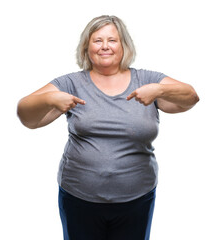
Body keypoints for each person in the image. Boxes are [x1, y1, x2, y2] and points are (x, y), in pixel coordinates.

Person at [17, 15, 199, 240]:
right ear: (87, 47)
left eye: (112, 40)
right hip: (78, 197)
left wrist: (159, 90)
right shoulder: (70, 83)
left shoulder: (148, 80)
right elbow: (25, 113)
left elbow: (191, 96)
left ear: (124, 46)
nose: (105, 46)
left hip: (137, 197)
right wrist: (50, 99)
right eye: (97, 40)